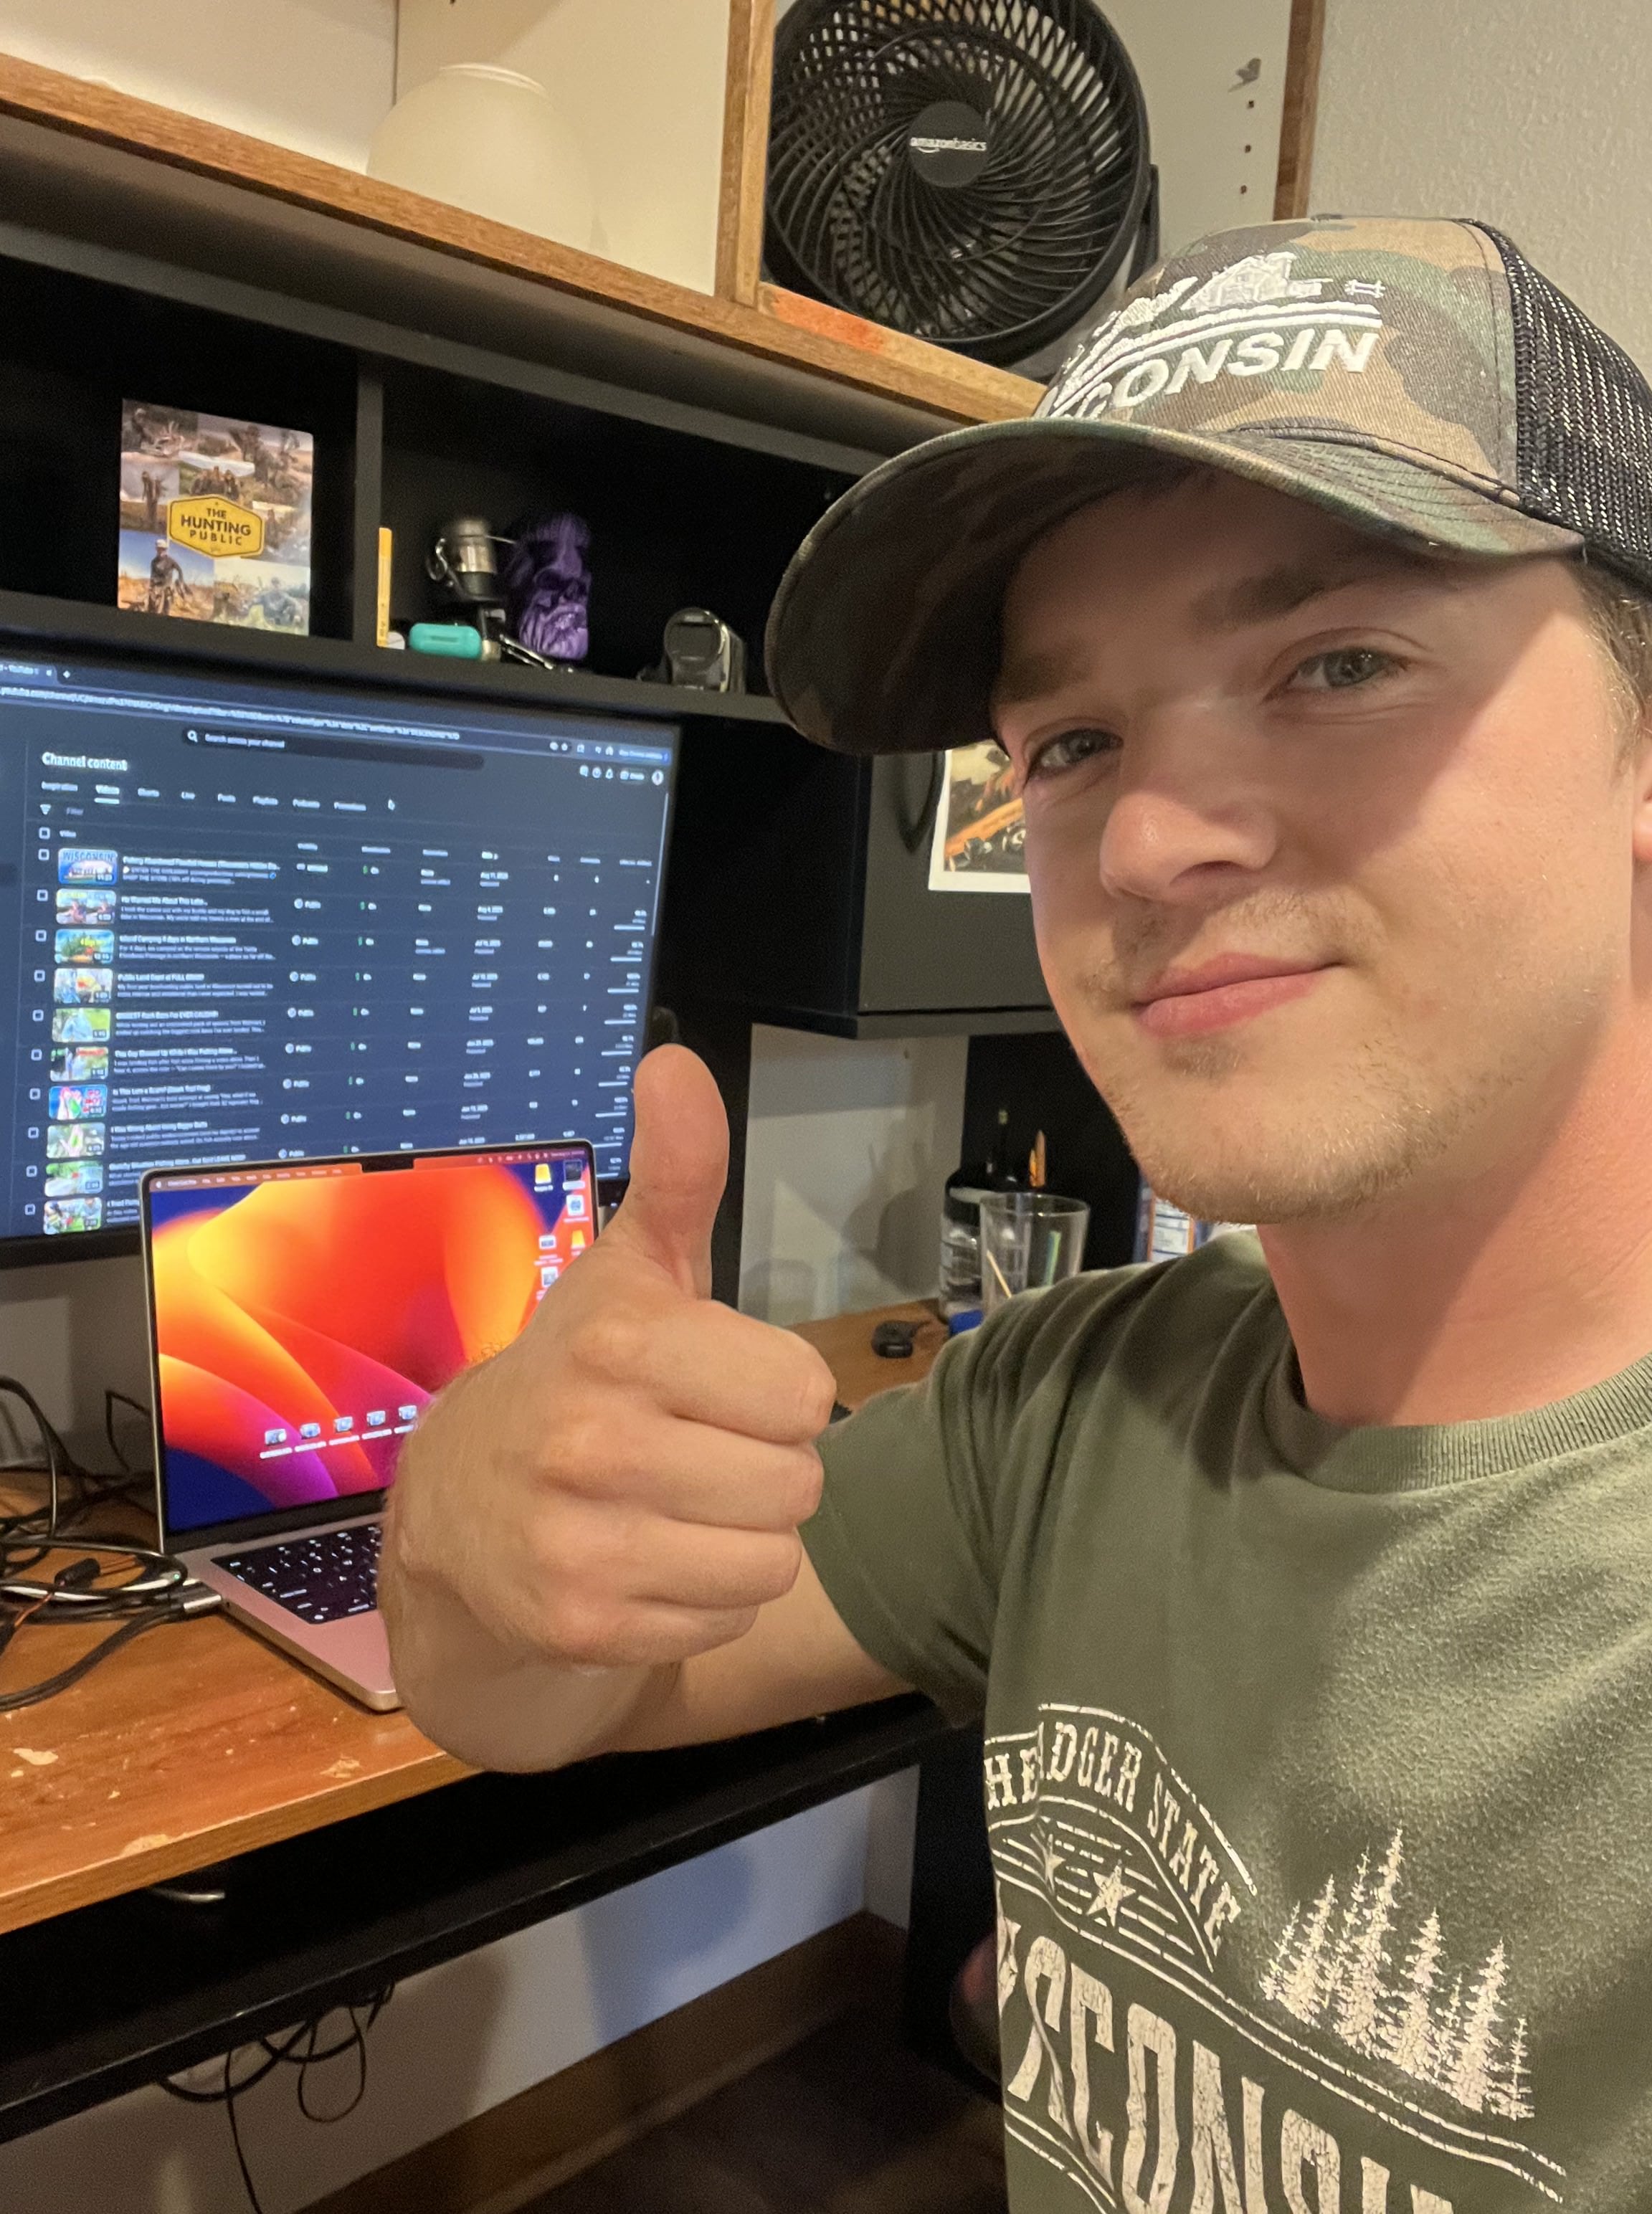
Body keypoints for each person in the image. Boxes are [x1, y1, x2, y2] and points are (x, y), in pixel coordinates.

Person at [382, 218, 1652, 2209]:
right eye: (1072, 744)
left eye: (1338, 662)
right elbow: (534, 1700)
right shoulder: (1072, 1410)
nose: (1145, 842)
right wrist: (468, 1511)